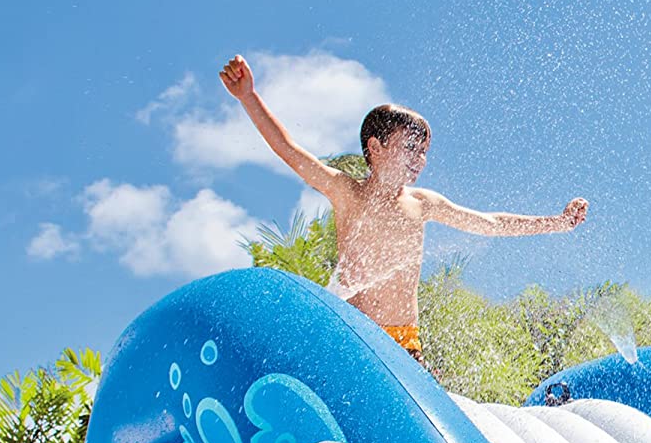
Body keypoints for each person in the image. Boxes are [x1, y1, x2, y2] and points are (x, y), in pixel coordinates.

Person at [219, 54, 588, 364]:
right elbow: (290, 151)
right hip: (356, 338)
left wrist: (556, 222)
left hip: (407, 345)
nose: (420, 159)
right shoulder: (347, 193)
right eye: (411, 147)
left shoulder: (422, 203)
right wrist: (248, 97)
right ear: (376, 148)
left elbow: (490, 223)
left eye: (424, 151)